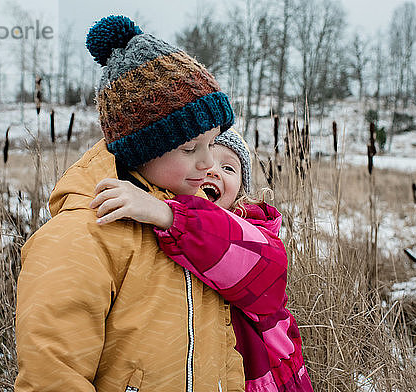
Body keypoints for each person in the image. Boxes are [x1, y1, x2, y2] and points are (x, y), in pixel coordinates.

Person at [14, 15, 245, 391]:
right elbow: (52, 371)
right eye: (190, 148)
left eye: (212, 143)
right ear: (142, 150)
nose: (208, 163)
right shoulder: (83, 234)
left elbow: (224, 349)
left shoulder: (202, 225)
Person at [91, 129, 314, 391]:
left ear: (242, 193)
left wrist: (170, 215)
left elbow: (261, 271)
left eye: (228, 168)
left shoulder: (257, 233)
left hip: (261, 378)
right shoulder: (155, 229)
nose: (212, 169)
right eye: (195, 155)